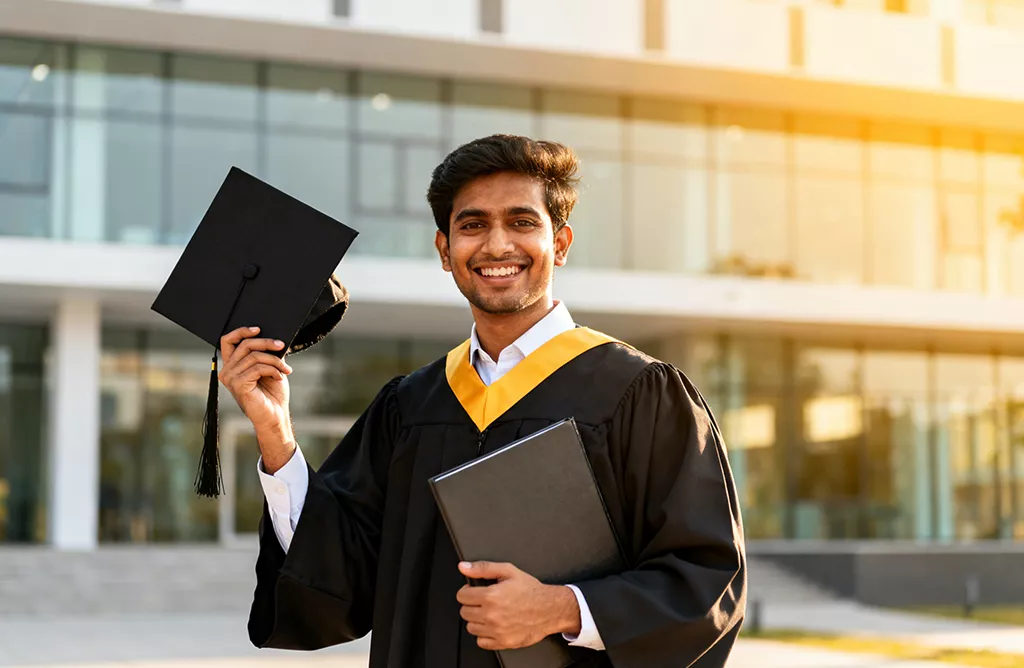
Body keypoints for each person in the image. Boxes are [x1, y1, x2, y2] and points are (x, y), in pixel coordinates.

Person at [220, 134, 746, 667]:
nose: (497, 246)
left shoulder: (638, 394)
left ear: (560, 243)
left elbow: (705, 580)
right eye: (472, 225)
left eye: (521, 222)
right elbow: (342, 571)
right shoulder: (410, 406)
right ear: (445, 251)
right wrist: (277, 435)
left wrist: (564, 608)